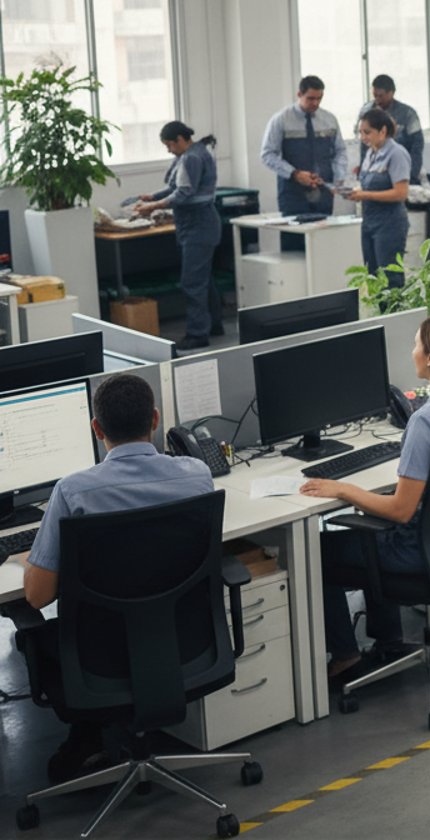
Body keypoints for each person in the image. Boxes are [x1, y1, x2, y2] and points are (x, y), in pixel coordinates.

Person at [11, 374, 215, 783]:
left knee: (27, 634)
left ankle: (87, 735)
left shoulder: (73, 492)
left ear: (96, 429)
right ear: (155, 419)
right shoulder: (196, 474)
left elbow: (35, 596)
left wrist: (29, 559)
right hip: (183, 646)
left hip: (101, 662)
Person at [299, 313, 430, 681]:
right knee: (372, 529)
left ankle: (345, 656)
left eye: (417, 344)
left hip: (418, 552)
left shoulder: (425, 422)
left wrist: (344, 489)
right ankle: (388, 638)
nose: (413, 351)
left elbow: (402, 510)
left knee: (317, 554)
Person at [132, 122, 223, 349]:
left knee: (192, 282)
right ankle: (214, 324)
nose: (169, 150)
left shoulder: (192, 158)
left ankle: (197, 334)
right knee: (204, 279)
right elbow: (175, 187)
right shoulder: (191, 154)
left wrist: (154, 207)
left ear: (181, 139)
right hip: (196, 224)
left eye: (170, 145)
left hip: (198, 224)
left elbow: (183, 192)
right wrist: (152, 197)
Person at [260, 75, 350, 251]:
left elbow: (340, 151)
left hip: (323, 190)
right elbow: (267, 155)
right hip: (292, 193)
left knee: (322, 244)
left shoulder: (329, 119)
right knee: (294, 245)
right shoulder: (281, 120)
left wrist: (338, 178)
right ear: (299, 94)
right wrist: (294, 174)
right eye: (310, 98)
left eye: (319, 98)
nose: (315, 103)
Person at [351, 108, 412, 289]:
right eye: (360, 132)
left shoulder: (397, 154)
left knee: (390, 279)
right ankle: (379, 316)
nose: (363, 137)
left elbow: (401, 193)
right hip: (369, 221)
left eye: (367, 132)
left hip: (390, 224)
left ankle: (395, 317)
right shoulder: (371, 153)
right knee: (373, 277)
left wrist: (365, 195)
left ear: (383, 131)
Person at [358, 74, 424, 183]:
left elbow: (417, 147)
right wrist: (362, 173)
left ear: (392, 93)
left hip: (401, 167)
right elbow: (363, 147)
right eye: (375, 95)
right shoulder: (366, 111)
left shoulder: (407, 114)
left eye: (381, 96)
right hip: (375, 172)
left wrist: (411, 176)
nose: (377, 100)